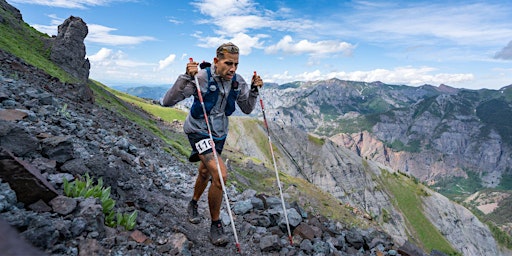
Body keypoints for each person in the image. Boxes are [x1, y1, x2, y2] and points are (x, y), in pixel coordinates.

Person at [161, 42, 263, 246]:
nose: (233, 69)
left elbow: (247, 108)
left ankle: (193, 203)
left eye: (236, 64)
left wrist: (253, 90)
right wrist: (185, 77)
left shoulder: (237, 81)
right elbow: (167, 102)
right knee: (220, 176)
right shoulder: (201, 78)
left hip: (218, 134)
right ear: (216, 61)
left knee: (205, 172)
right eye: (228, 63)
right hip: (198, 130)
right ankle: (215, 224)